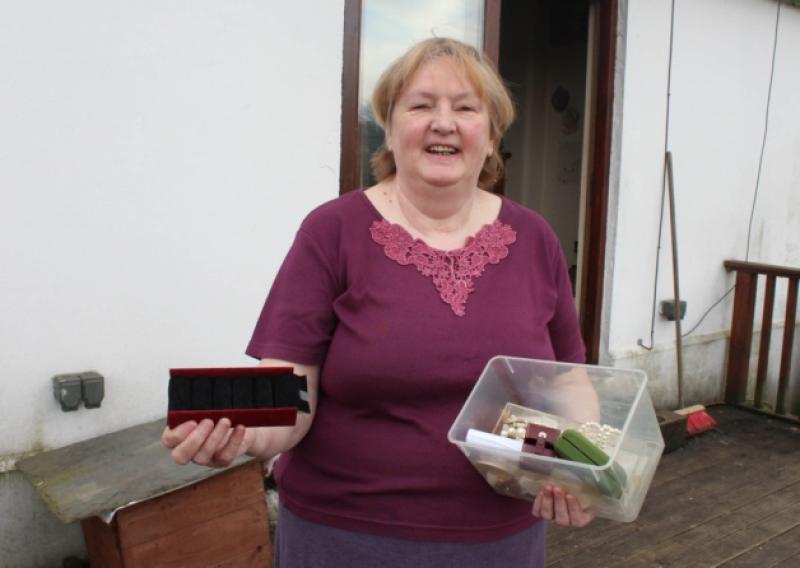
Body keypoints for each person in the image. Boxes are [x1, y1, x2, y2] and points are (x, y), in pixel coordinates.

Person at [163, 37, 596, 567]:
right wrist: (240, 434)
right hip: (345, 536)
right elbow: (289, 390)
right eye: (420, 106)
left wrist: (582, 474)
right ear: (389, 131)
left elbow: (568, 381)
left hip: (498, 540)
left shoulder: (535, 239)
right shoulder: (332, 232)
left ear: (491, 136)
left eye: (465, 108)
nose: (443, 123)